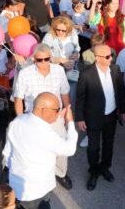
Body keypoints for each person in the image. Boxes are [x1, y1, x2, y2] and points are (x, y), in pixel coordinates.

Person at [12, 44, 74, 191]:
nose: (44, 63)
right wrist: (20, 120)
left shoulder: (59, 71)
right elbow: (18, 99)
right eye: (40, 60)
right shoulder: (25, 74)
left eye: (47, 59)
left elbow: (64, 93)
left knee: (61, 147)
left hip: (56, 116)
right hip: (33, 119)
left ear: (50, 58)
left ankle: (61, 173)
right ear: (34, 59)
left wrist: (68, 115)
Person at [2, 92, 78, 209]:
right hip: (38, 190)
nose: (58, 113)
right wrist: (71, 122)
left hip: (16, 186)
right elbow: (70, 149)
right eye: (56, 110)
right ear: (44, 111)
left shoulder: (17, 122)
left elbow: (7, 152)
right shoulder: (46, 135)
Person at [75, 44, 125, 190]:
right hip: (93, 117)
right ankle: (93, 172)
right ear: (97, 58)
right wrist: (79, 118)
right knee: (93, 148)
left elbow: (120, 91)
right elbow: (80, 98)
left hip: (111, 115)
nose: (111, 58)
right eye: (107, 56)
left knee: (108, 144)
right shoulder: (86, 74)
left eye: (111, 54)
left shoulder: (115, 70)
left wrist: (122, 110)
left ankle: (105, 167)